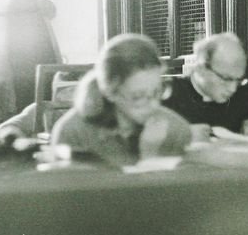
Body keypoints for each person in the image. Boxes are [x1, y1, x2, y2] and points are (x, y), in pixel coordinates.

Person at [50, 33, 192, 167]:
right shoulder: (73, 132)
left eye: (157, 92)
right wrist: (150, 159)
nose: (154, 105)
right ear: (109, 92)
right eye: (137, 96)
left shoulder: (176, 130)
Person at [163, 32, 248, 140]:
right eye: (226, 79)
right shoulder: (167, 94)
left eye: (239, 80)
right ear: (201, 69)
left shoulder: (243, 94)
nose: (233, 89)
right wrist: (182, 136)